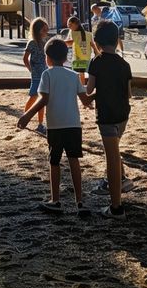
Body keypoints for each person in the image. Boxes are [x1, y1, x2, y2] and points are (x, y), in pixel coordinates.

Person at [18, 37, 92, 216]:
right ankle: (80, 201)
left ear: (47, 58)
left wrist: (27, 115)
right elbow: (85, 100)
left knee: (54, 162)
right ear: (66, 57)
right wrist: (101, 94)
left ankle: (55, 199)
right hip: (73, 125)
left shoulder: (47, 75)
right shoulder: (74, 75)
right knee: (74, 160)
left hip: (55, 125)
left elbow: (44, 99)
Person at [86, 20, 133, 218]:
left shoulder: (96, 62)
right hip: (123, 114)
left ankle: (116, 207)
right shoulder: (125, 64)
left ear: (96, 41)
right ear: (117, 40)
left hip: (106, 116)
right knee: (115, 150)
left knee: (111, 157)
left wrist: (95, 95)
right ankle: (121, 179)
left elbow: (89, 89)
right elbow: (129, 93)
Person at [22, 17, 49, 135]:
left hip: (44, 73)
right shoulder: (32, 43)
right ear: (38, 30)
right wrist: (30, 69)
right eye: (44, 30)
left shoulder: (44, 43)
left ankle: (40, 123)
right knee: (33, 96)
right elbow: (25, 58)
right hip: (36, 75)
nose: (46, 32)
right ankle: (25, 116)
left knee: (41, 99)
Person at [65, 15, 96, 84]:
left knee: (78, 74)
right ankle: (83, 89)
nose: (68, 27)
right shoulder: (87, 34)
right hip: (86, 57)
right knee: (82, 74)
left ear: (76, 24)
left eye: (70, 25)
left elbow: (70, 42)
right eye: (68, 25)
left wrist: (61, 42)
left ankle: (81, 89)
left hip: (78, 58)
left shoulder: (75, 33)